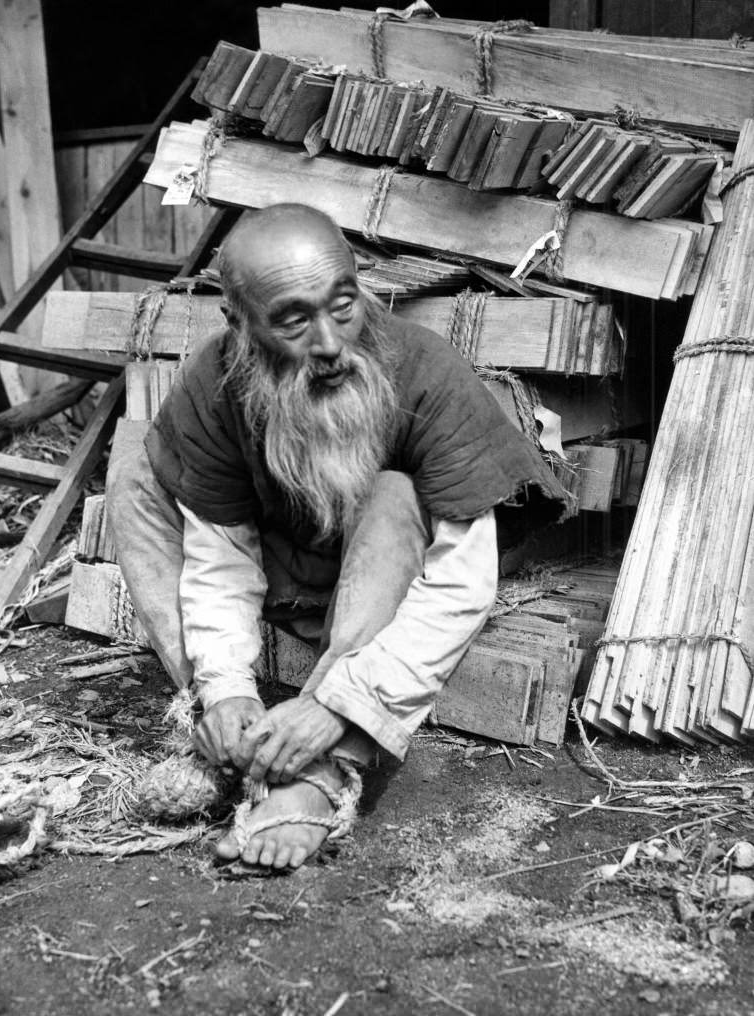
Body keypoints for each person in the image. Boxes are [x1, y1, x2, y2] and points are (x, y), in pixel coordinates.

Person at [107, 203, 566, 871]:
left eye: (343, 305)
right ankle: (231, 734)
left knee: (394, 491)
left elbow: (462, 582)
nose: (328, 343)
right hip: (287, 571)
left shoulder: (425, 370)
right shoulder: (215, 381)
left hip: (390, 580)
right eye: (294, 321)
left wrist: (333, 705)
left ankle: (321, 767)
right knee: (134, 476)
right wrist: (226, 684)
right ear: (238, 323)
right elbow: (220, 553)